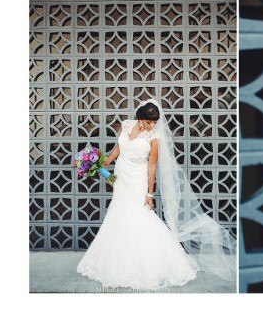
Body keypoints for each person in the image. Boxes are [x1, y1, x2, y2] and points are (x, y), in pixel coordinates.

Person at [77, 99, 235, 290]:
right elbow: (119, 147)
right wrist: (108, 161)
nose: (153, 125)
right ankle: (116, 259)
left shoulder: (154, 137)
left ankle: (152, 262)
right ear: (140, 118)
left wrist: (150, 195)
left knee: (140, 214)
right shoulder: (126, 125)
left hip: (137, 179)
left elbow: (152, 165)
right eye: (149, 122)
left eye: (155, 122)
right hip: (121, 176)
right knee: (119, 213)